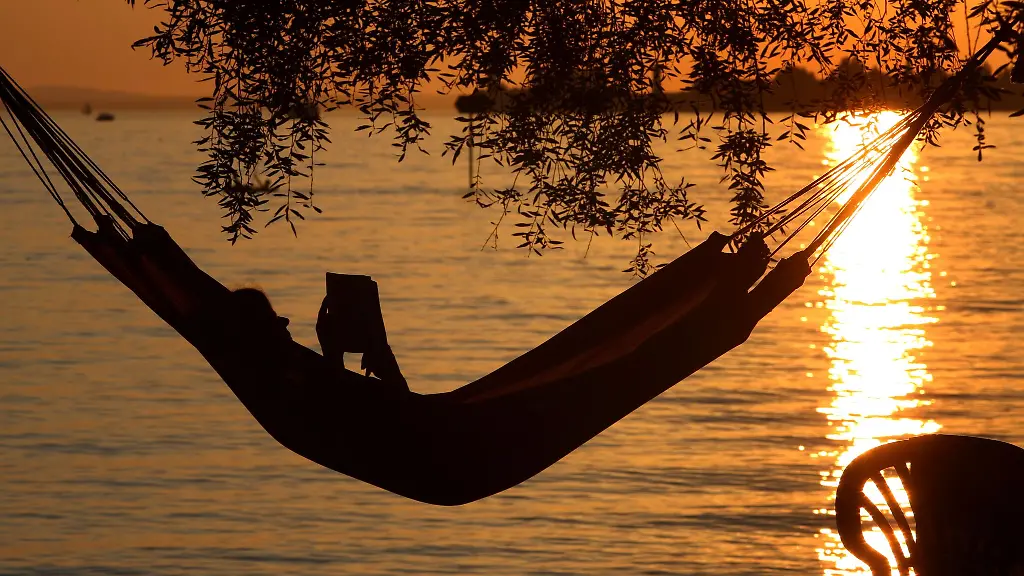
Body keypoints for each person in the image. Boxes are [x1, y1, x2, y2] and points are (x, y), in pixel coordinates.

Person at [74, 221, 810, 505]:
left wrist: (353, 356)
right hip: (451, 454)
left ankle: (758, 286)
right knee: (618, 370)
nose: (290, 320)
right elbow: (389, 413)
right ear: (261, 331)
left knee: (621, 370)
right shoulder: (292, 378)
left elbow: (383, 410)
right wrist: (365, 355)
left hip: (444, 443)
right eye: (278, 318)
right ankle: (752, 285)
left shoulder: (284, 376)